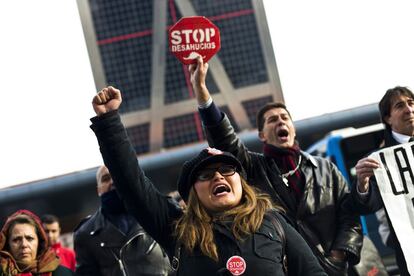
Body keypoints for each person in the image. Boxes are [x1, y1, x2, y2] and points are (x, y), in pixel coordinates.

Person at [88, 86, 327, 276]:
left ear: (242, 183)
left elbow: (312, 272)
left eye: (226, 170)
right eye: (206, 175)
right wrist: (109, 121)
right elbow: (132, 184)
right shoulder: (176, 228)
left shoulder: (274, 221)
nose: (218, 176)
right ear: (192, 192)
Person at [188, 56, 363, 275]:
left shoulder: (326, 169)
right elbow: (223, 138)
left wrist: (339, 256)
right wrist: (202, 92)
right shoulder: (252, 168)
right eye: (272, 120)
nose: (280, 121)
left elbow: (350, 216)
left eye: (284, 118)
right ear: (261, 134)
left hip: (340, 269)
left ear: (293, 128)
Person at [350, 86, 413, 275]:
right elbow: (369, 206)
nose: (409, 109)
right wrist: (363, 184)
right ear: (387, 118)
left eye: (411, 103)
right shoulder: (379, 160)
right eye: (400, 105)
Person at [73, 165, 171, 276]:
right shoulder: (85, 234)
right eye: (105, 179)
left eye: (116, 175)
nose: (112, 181)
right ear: (98, 189)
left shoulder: (156, 213)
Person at [0, 209, 74, 275]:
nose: (24, 245)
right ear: (7, 244)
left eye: (29, 238)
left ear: (40, 242)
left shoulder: (62, 273)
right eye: (16, 239)